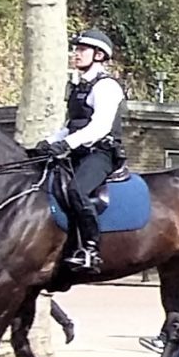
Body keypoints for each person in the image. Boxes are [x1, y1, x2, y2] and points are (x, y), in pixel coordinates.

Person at [32, 27, 126, 272]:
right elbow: (70, 126)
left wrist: (67, 144)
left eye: (82, 49)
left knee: (76, 190)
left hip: (101, 153)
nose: (76, 54)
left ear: (99, 55)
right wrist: (49, 142)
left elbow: (100, 126)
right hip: (78, 151)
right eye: (76, 49)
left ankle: (91, 248)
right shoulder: (79, 87)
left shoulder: (106, 87)